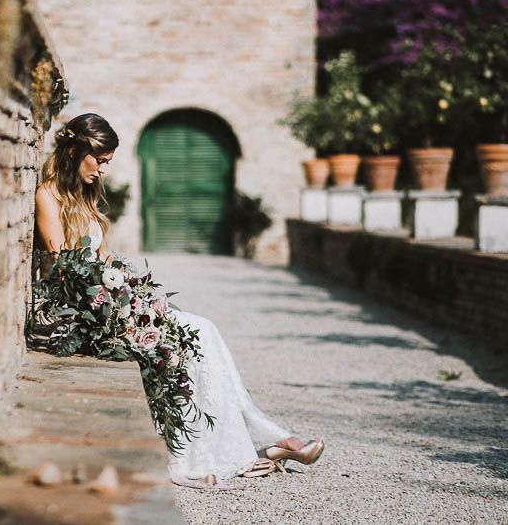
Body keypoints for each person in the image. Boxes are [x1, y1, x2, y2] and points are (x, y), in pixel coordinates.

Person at [35, 113, 325, 489]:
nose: (104, 170)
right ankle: (250, 444)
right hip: (85, 316)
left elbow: (103, 262)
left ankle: (261, 438)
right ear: (75, 151)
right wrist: (119, 304)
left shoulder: (85, 197)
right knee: (195, 335)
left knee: (204, 331)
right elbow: (64, 270)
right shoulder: (48, 196)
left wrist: (136, 295)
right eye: (100, 160)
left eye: (108, 162)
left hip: (112, 304)